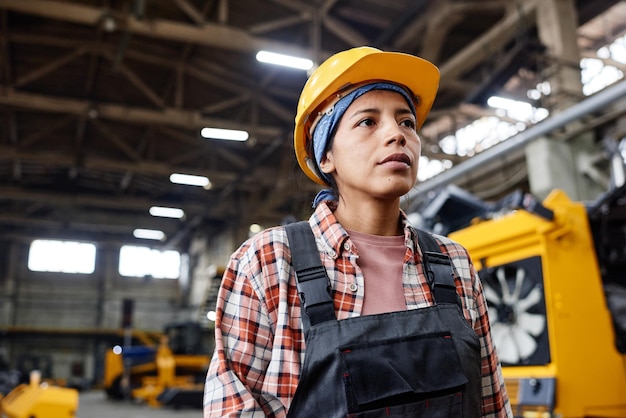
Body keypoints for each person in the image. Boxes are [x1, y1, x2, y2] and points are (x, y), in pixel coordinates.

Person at [204, 46, 512, 417]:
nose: (396, 135)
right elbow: (233, 408)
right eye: (368, 121)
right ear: (326, 157)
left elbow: (491, 402)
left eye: (407, 123)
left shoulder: (454, 263)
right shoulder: (268, 261)